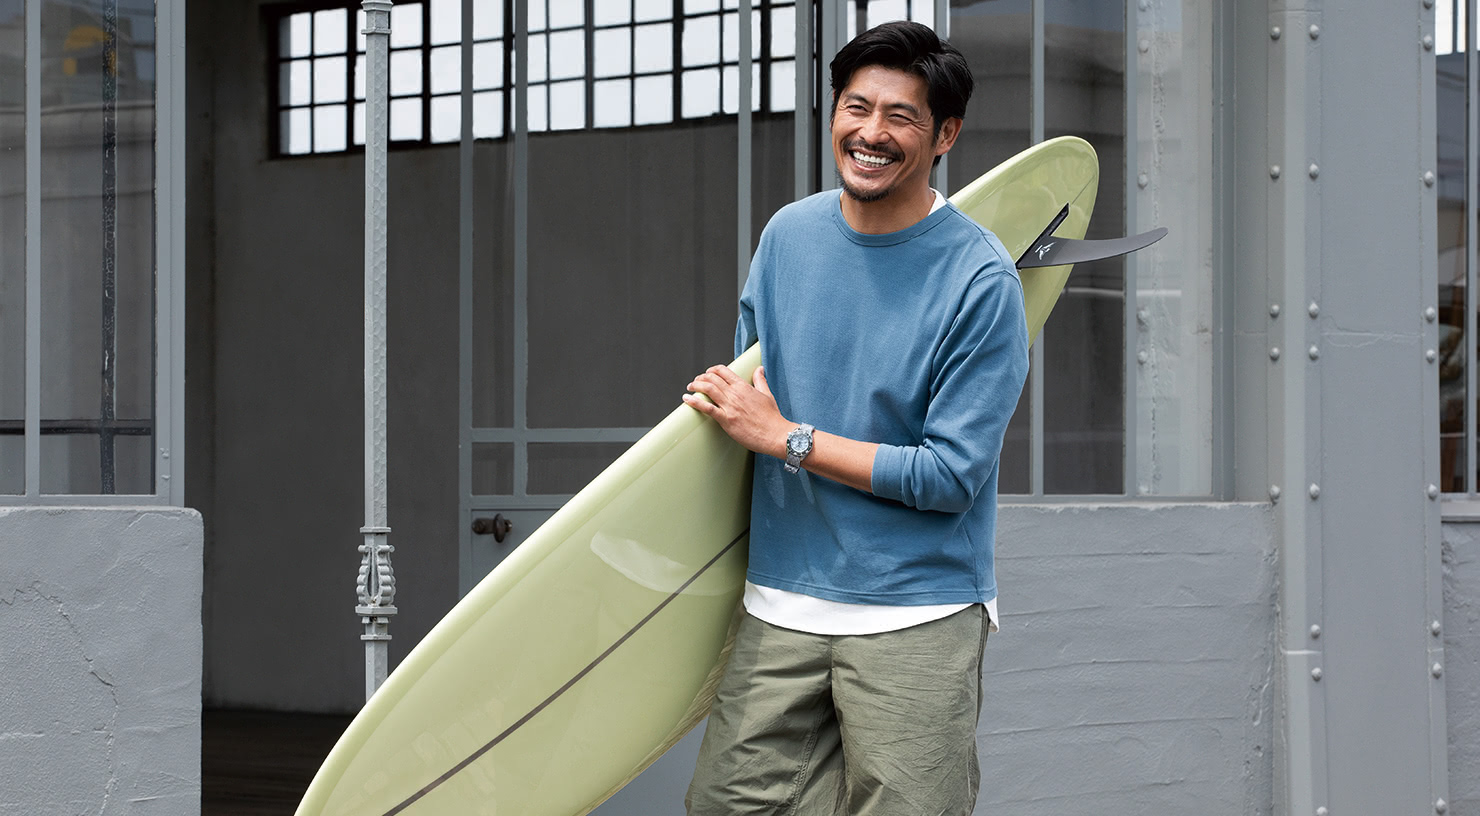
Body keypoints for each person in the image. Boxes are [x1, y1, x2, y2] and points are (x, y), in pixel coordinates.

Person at [680, 19, 1029, 816]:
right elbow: (750, 404)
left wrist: (788, 439)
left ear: (945, 135)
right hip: (780, 602)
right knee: (723, 804)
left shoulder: (980, 280)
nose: (871, 133)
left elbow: (949, 476)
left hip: (916, 609)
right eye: (856, 107)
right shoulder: (788, 237)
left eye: (900, 117)